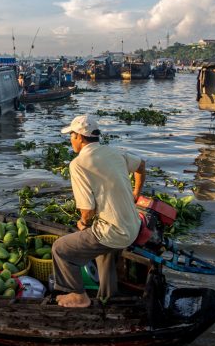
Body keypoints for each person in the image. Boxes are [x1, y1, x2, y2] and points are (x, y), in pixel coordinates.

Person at [52, 114, 146, 308]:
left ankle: (78, 296)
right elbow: (141, 165)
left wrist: (83, 224)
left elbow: (87, 210)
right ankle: (108, 296)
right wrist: (136, 193)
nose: (70, 139)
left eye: (71, 135)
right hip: (133, 226)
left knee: (60, 249)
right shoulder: (115, 153)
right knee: (103, 250)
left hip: (114, 233)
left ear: (79, 136)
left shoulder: (78, 164)